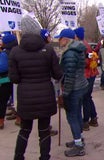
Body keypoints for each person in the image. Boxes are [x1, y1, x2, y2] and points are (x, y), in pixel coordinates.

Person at [9, 15, 63, 160]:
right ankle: (44, 157)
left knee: (24, 130)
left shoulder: (15, 52)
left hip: (26, 97)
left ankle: (18, 157)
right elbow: (58, 74)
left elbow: (14, 78)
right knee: (44, 130)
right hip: (45, 95)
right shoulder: (48, 50)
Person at [54, 28, 88, 157]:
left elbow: (69, 76)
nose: (59, 41)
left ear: (66, 39)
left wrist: (65, 93)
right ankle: (79, 139)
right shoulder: (78, 50)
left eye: (60, 38)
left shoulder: (69, 53)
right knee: (77, 114)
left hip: (73, 89)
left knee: (72, 116)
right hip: (81, 86)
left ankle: (78, 146)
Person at [74, 27, 99, 131]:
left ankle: (85, 121)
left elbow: (86, 62)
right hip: (91, 74)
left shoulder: (81, 46)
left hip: (87, 75)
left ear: (76, 36)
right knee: (88, 97)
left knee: (85, 98)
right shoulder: (85, 44)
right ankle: (93, 118)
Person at [40, 29, 60, 137]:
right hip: (45, 83)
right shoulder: (48, 49)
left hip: (31, 87)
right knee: (44, 111)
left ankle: (45, 127)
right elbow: (56, 71)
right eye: (49, 36)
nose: (50, 38)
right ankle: (45, 128)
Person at [0, 33, 17, 129]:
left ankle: (1, 121)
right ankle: (19, 118)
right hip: (15, 80)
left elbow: (2, 68)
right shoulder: (18, 51)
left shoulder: (4, 54)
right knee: (17, 100)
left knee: (2, 101)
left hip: (5, 80)